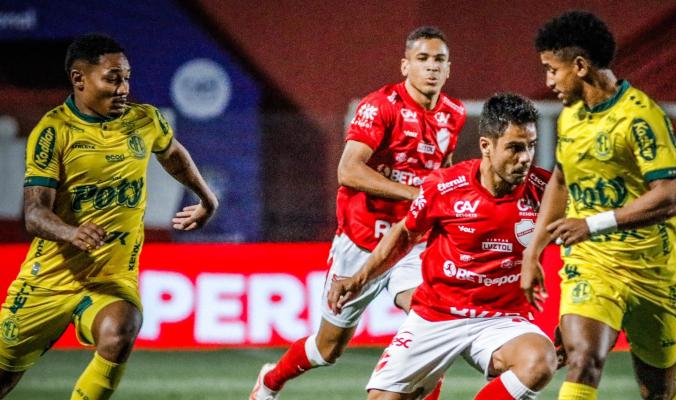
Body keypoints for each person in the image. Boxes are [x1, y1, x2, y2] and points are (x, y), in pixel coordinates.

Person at [251, 26, 465, 400]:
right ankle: (271, 381)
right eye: (422, 59)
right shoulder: (380, 106)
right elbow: (348, 170)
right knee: (327, 349)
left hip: (410, 243)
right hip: (362, 241)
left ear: (448, 69)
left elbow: (440, 168)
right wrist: (417, 195)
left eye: (439, 60)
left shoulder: (454, 113)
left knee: (434, 320)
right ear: (405, 65)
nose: (431, 67)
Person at [0, 33, 218, 399]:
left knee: (121, 327)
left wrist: (206, 198)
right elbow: (35, 214)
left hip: (111, 279)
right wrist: (70, 233)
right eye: (113, 78)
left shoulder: (144, 120)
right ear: (79, 78)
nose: (123, 88)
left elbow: (173, 154)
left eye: (127, 78)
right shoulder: (53, 132)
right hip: (49, 281)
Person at [329, 93, 555, 400]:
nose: (526, 157)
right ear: (486, 146)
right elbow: (403, 234)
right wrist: (358, 278)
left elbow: (578, 241)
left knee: (540, 360)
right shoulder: (445, 186)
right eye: (515, 147)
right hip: (437, 315)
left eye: (531, 146)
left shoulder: (545, 190)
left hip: (500, 318)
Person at [521, 10, 676, 400]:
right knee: (582, 359)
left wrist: (591, 223)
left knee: (657, 389)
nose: (548, 82)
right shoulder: (570, 119)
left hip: (653, 269)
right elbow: (561, 181)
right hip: (591, 263)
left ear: (580, 66)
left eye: (552, 70)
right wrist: (533, 252)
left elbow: (672, 196)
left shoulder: (640, 118)